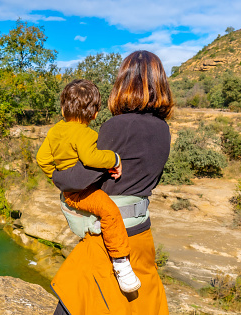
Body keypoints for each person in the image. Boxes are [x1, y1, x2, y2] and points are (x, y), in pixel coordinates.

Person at [50, 50, 174, 315]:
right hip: (141, 233)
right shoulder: (163, 129)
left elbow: (81, 178)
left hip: (109, 239)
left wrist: (55, 176)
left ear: (123, 84)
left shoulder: (117, 126)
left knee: (72, 303)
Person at [36, 79, 141, 293]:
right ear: (94, 113)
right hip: (83, 192)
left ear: (63, 108)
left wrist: (56, 178)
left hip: (68, 191)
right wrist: (114, 159)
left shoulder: (56, 130)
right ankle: (122, 264)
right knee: (110, 212)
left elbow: (42, 158)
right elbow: (90, 157)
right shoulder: (86, 134)